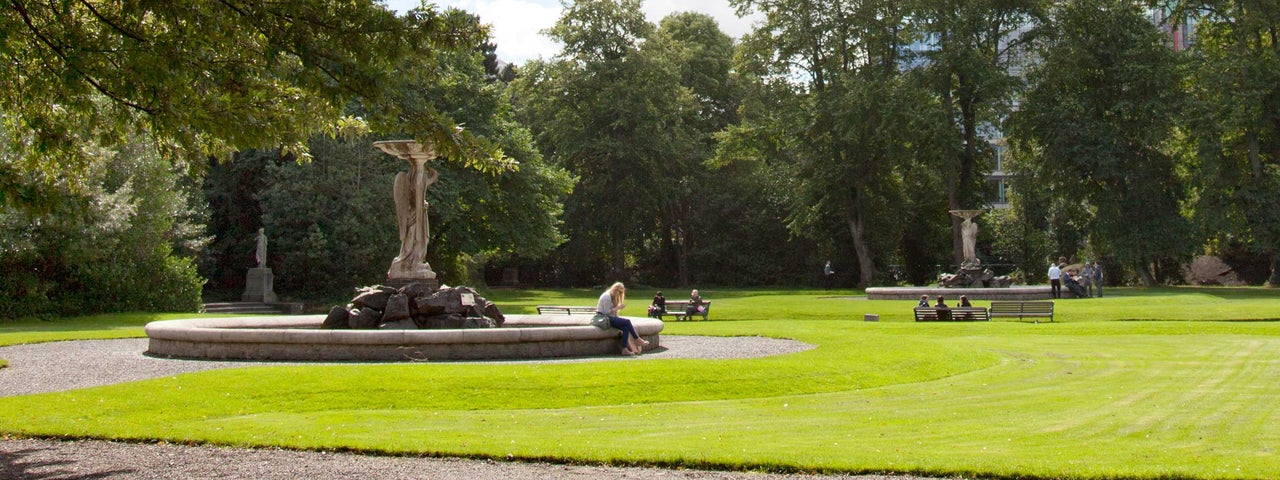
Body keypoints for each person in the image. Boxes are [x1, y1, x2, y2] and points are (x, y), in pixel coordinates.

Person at [595, 282, 648, 355]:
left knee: (625, 327)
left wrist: (618, 315)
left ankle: (625, 349)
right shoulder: (607, 296)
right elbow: (606, 312)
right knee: (627, 322)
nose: (620, 294)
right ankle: (637, 339)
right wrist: (618, 307)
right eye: (619, 292)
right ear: (615, 290)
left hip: (609, 318)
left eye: (621, 293)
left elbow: (613, 313)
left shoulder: (612, 297)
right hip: (604, 318)